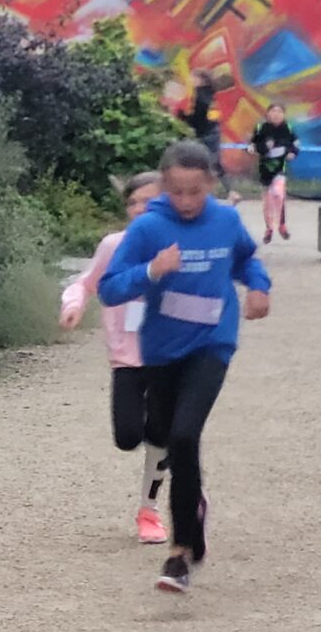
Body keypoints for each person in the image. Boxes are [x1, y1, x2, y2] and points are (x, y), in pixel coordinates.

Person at [98, 141, 272, 594]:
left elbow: (245, 258)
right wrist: (151, 271)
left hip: (212, 344)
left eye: (195, 191)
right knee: (168, 438)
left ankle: (178, 554)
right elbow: (110, 289)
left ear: (210, 184)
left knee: (183, 435)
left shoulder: (225, 220)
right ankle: (194, 508)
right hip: (161, 350)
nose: (187, 201)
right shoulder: (149, 228)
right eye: (177, 192)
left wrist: (259, 287)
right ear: (164, 186)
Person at [60, 171, 170, 544]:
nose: (139, 209)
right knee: (127, 436)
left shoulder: (179, 247)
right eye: (132, 203)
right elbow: (84, 283)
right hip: (126, 359)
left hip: (169, 356)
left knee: (161, 433)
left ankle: (149, 511)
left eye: (148, 202)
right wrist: (73, 305)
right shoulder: (115, 245)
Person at [249, 102, 300, 243]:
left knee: (278, 193)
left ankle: (281, 225)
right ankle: (269, 228)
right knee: (268, 201)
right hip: (265, 169)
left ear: (283, 114)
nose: (276, 114)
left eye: (279, 111)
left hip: (280, 168)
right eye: (273, 111)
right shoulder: (261, 128)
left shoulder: (288, 128)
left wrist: (293, 153)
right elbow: (253, 146)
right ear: (268, 114)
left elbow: (296, 144)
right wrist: (261, 148)